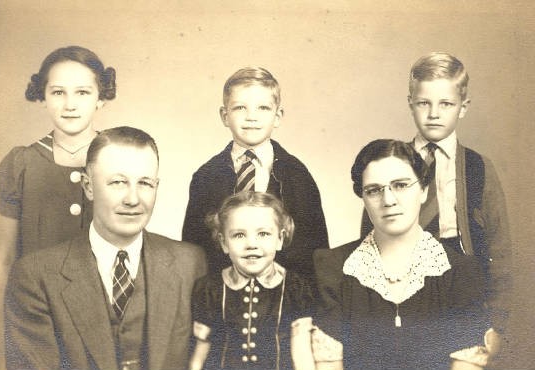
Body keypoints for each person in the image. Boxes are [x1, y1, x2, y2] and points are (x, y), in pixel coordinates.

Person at [4, 126, 207, 369]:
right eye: (118, 182)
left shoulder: (191, 263)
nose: (133, 199)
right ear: (89, 187)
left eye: (145, 183)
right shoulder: (35, 276)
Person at [360, 52, 512, 338]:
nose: (433, 113)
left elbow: (499, 251)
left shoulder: (479, 167)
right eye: (423, 103)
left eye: (446, 104)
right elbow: (368, 238)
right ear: (410, 104)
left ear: (463, 107)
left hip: (462, 289)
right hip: (402, 287)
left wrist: (496, 322)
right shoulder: (388, 162)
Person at [314, 139, 492, 370]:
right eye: (374, 190)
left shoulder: (461, 274)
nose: (388, 200)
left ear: (423, 190)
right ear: (364, 199)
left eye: (400, 185)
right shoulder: (333, 268)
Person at [0, 45, 116, 368]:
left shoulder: (119, 159)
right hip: (35, 326)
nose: (70, 104)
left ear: (101, 98)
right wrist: (5, 350)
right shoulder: (23, 164)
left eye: (83, 92)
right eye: (58, 92)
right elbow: (3, 260)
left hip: (104, 326)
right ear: (42, 96)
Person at [182, 67, 329, 283]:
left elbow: (316, 250)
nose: (251, 117)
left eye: (262, 108)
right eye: (240, 108)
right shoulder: (206, 176)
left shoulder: (297, 174)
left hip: (285, 295)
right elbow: (194, 250)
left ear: (277, 116)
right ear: (225, 116)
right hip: (222, 294)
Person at [189, 191, 321, 370]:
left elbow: (302, 355)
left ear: (280, 239)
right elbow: (199, 356)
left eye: (264, 234)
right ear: (224, 243)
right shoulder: (210, 288)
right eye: (239, 235)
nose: (252, 243)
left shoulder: (296, 288)